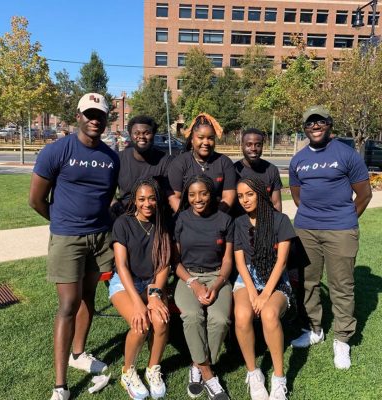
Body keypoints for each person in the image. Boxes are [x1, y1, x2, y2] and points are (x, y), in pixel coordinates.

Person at [29, 93, 120, 400]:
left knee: (88, 299)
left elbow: (107, 198)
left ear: (108, 119)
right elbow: (36, 199)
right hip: (68, 238)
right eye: (90, 114)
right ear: (78, 116)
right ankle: (60, 385)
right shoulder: (57, 150)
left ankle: (78, 354)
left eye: (101, 115)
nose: (95, 120)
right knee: (68, 304)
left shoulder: (111, 157)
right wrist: (62, 222)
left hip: (99, 238)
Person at [289, 106, 372, 369]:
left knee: (341, 286)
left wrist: (345, 220)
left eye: (320, 121)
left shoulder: (347, 155)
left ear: (329, 125)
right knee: (308, 282)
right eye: (310, 123)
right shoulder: (298, 159)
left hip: (341, 230)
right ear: (304, 128)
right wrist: (314, 218)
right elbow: (297, 195)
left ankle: (342, 339)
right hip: (307, 230)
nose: (315, 126)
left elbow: (364, 194)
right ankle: (314, 329)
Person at [109, 178, 171, 400]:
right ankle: (128, 371)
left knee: (161, 321)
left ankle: (153, 368)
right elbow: (121, 266)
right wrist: (138, 303)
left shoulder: (162, 223)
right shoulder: (123, 224)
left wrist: (154, 295)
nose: (147, 204)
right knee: (140, 324)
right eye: (142, 199)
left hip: (152, 283)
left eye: (152, 198)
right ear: (134, 200)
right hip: (125, 283)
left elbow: (164, 264)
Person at [233, 178, 295, 400]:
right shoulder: (239, 223)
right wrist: (251, 292)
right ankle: (254, 373)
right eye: (240, 196)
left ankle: (279, 379)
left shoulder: (281, 220)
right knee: (242, 314)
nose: (245, 200)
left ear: (260, 194)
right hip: (247, 278)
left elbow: (282, 262)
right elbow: (240, 262)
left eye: (249, 194)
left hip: (275, 279)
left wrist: (265, 294)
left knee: (269, 314)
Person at [174, 175, 233, 400]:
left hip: (217, 276)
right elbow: (175, 261)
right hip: (188, 276)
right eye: (191, 194)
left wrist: (217, 285)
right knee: (192, 315)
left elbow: (228, 261)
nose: (197, 199)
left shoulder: (224, 219)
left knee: (220, 320)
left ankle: (196, 364)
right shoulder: (181, 219)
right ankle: (208, 374)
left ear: (212, 194)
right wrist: (194, 283)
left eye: (203, 193)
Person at [168, 113, 236, 214]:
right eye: (201, 137)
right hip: (186, 221)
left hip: (217, 218)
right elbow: (174, 197)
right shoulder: (179, 163)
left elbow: (229, 196)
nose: (206, 142)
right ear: (192, 139)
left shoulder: (224, 162)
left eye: (210, 138)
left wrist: (215, 219)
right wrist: (189, 220)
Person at [113, 115, 173, 216]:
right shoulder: (119, 159)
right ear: (130, 135)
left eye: (147, 133)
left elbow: (171, 195)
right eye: (136, 133)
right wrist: (117, 211)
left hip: (155, 217)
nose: (141, 137)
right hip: (125, 216)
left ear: (153, 134)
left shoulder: (166, 161)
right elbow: (108, 192)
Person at [234, 128, 283, 212]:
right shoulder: (234, 170)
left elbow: (276, 203)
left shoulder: (271, 169)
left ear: (262, 146)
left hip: (266, 221)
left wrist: (277, 223)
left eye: (258, 145)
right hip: (241, 222)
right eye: (249, 144)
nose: (253, 148)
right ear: (242, 145)